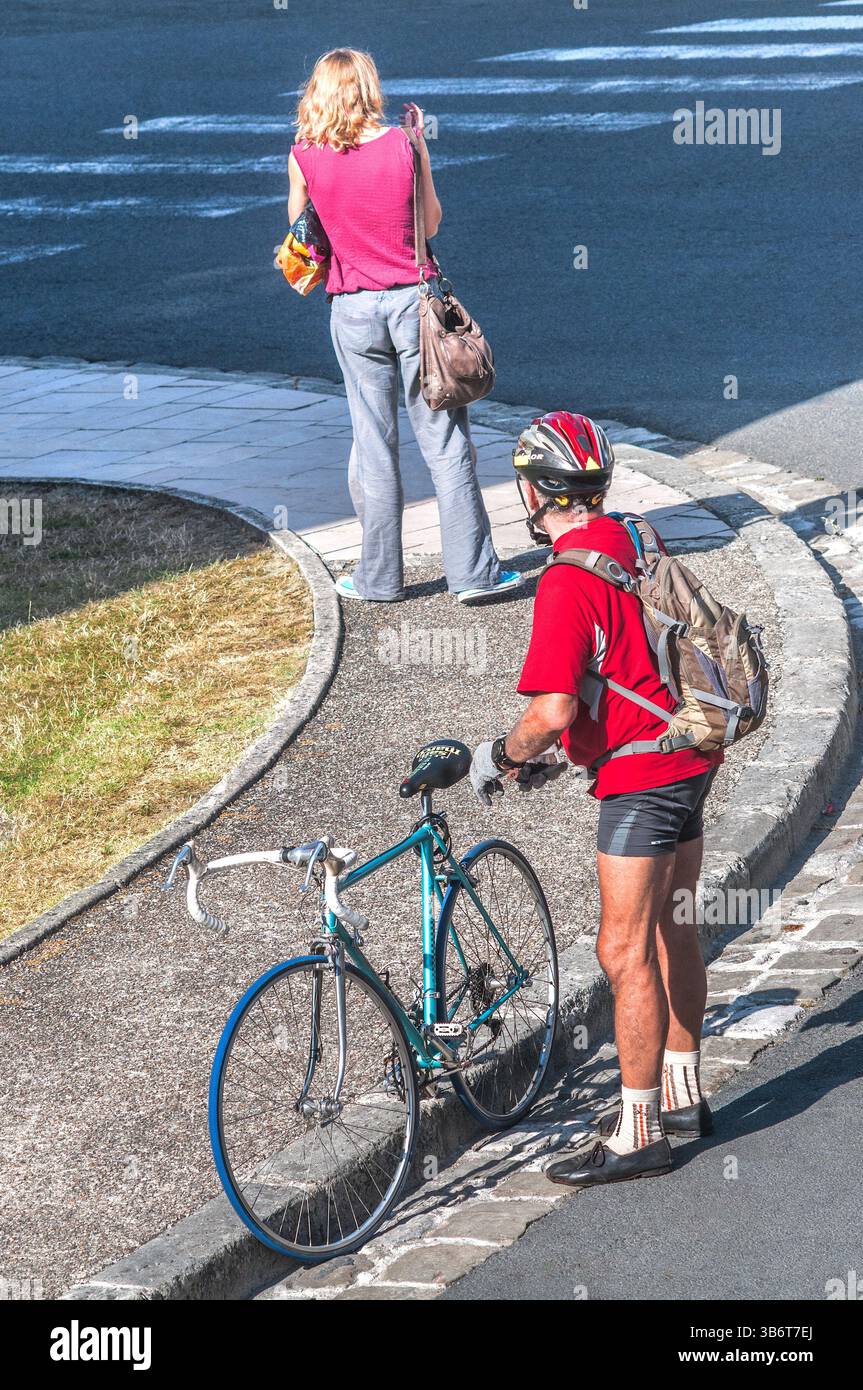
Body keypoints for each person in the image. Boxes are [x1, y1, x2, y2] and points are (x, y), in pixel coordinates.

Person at [469, 410, 721, 1188]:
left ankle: (637, 1132)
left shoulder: (565, 582)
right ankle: (682, 1092)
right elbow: (635, 659)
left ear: (536, 492)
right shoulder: (636, 538)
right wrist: (573, 750)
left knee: (622, 950)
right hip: (689, 750)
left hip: (641, 783)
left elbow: (550, 711)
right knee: (676, 925)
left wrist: (501, 756)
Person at [288, 48, 521, 606]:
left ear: (318, 92)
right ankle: (472, 576)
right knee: (444, 440)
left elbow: (301, 232)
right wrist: (417, 157)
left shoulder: (303, 155)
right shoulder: (404, 143)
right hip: (414, 308)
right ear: (371, 88)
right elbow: (432, 221)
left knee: (373, 445)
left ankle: (378, 580)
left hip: (350, 309)